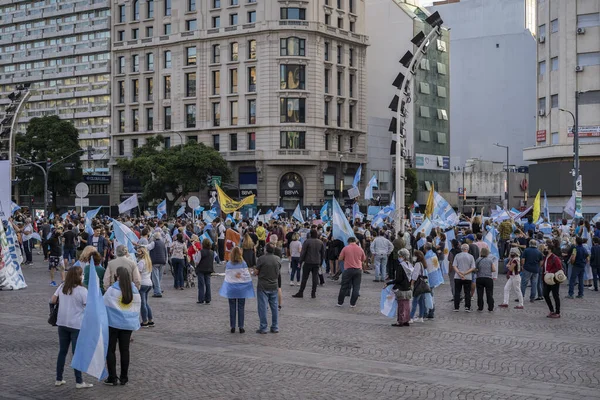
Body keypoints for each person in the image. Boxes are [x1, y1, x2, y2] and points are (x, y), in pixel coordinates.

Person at [50, 266, 93, 389]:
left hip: (62, 323)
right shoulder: (82, 291)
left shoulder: (62, 286)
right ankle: (79, 381)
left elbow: (53, 300)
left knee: (62, 351)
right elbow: (88, 306)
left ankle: (59, 378)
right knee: (76, 353)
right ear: (79, 276)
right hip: (76, 325)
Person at [104, 267, 141, 386]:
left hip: (112, 323)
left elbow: (104, 304)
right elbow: (136, 308)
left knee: (111, 350)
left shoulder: (112, 290)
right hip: (127, 324)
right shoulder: (134, 291)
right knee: (125, 350)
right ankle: (124, 377)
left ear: (117, 276)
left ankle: (112, 377)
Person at [219, 246, 255, 333]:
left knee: (232, 307)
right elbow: (246, 276)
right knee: (241, 307)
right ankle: (241, 326)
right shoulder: (243, 263)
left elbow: (227, 276)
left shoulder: (229, 264)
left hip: (231, 288)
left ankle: (232, 326)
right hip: (241, 288)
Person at [255, 243, 281, 334]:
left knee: (262, 307)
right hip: (274, 285)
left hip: (263, 285)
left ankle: (263, 327)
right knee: (274, 307)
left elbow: (256, 272)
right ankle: (275, 326)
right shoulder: (278, 259)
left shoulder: (261, 259)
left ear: (266, 249)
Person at [293, 230, 326, 299]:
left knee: (304, 278)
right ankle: (313, 293)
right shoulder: (320, 242)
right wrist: (321, 262)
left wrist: (300, 261)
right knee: (315, 278)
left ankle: (301, 292)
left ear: (310, 234)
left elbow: (303, 252)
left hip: (308, 262)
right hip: (316, 262)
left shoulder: (307, 241)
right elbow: (323, 253)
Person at [336, 237, 366, 307]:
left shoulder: (345, 248)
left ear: (348, 241)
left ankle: (340, 302)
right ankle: (353, 303)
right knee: (356, 287)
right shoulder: (360, 249)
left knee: (344, 286)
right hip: (358, 269)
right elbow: (363, 259)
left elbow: (340, 258)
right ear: (355, 241)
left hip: (348, 269)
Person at [386, 249, 413, 326]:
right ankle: (406, 320)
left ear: (403, 256)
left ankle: (400, 320)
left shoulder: (400, 266)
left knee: (401, 305)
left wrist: (389, 283)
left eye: (399, 256)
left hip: (401, 288)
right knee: (407, 305)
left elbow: (398, 279)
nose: (398, 257)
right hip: (408, 288)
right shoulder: (409, 265)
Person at [452, 244, 476, 312]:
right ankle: (467, 307)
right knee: (467, 292)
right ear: (468, 249)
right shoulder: (471, 256)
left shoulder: (457, 255)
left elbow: (454, 266)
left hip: (457, 276)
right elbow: (473, 267)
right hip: (468, 277)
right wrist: (464, 273)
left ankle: (456, 307)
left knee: (457, 292)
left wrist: (459, 273)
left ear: (461, 249)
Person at [542, 241, 563, 318]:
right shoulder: (545, 257)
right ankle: (551, 310)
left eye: (546, 248)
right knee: (545, 294)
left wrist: (550, 272)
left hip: (553, 279)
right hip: (546, 279)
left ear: (550, 249)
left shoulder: (555, 258)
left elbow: (559, 268)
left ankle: (557, 312)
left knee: (555, 295)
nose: (544, 249)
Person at [136, 247, 154, 327]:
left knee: (143, 303)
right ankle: (150, 319)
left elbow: (138, 274)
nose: (137, 253)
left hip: (143, 283)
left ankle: (145, 321)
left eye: (138, 252)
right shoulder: (148, 261)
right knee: (146, 303)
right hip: (149, 283)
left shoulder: (141, 262)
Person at [409, 250, 428, 322]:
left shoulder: (417, 264)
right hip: (422, 283)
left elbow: (415, 275)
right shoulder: (422, 264)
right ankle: (421, 316)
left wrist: (412, 283)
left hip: (418, 283)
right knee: (421, 301)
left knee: (415, 301)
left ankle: (411, 317)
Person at [475, 247, 496, 312]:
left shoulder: (478, 260)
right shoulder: (490, 260)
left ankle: (480, 307)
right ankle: (490, 307)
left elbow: (475, 269)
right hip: (488, 278)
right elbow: (493, 269)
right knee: (489, 293)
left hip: (480, 278)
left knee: (480, 293)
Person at [195, 238, 215, 304]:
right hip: (209, 269)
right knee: (208, 284)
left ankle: (201, 299)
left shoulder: (201, 252)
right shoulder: (212, 252)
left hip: (201, 269)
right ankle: (208, 298)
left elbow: (197, 261)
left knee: (201, 284)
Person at [148, 232, 168, 297]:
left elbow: (148, 247)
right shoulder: (162, 243)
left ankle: (157, 292)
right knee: (159, 277)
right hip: (162, 261)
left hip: (155, 261)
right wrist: (166, 260)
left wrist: (139, 245)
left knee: (155, 277)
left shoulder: (153, 243)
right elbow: (165, 252)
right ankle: (158, 289)